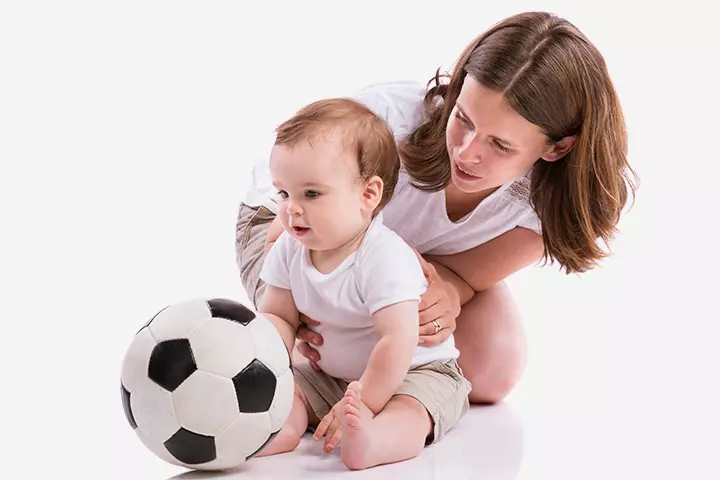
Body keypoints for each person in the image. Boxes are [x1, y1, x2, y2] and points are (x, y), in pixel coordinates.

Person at [236, 11, 638, 406]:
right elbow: (287, 224)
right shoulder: (389, 121)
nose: (466, 152)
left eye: (500, 145)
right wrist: (304, 304)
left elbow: (465, 273)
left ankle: (373, 388)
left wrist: (450, 292)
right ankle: (328, 391)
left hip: (405, 257)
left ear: (557, 147)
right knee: (328, 342)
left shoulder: (558, 201)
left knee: (491, 367)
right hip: (293, 226)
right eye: (462, 117)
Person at [253, 97, 472, 470]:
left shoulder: (383, 257)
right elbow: (278, 316)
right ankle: (273, 428)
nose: (292, 209)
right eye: (283, 194)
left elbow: (396, 340)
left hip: (413, 371)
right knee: (290, 394)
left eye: (311, 194)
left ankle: (374, 441)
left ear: (367, 195)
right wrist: (263, 369)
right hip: (331, 376)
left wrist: (368, 401)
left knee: (411, 412)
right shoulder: (291, 248)